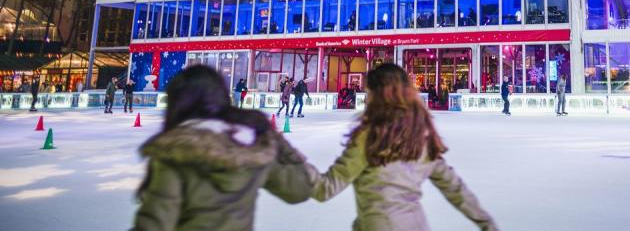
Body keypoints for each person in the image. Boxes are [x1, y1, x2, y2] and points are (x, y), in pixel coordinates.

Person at [311, 63, 498, 231]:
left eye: (369, 93)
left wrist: (284, 154)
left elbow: (325, 187)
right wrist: (486, 223)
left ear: (381, 96)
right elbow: (454, 188)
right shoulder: (421, 137)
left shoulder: (370, 138)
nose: (366, 100)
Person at [131, 65, 319, 231]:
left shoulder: (176, 153)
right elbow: (299, 189)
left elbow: (154, 223)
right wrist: (274, 139)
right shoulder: (250, 147)